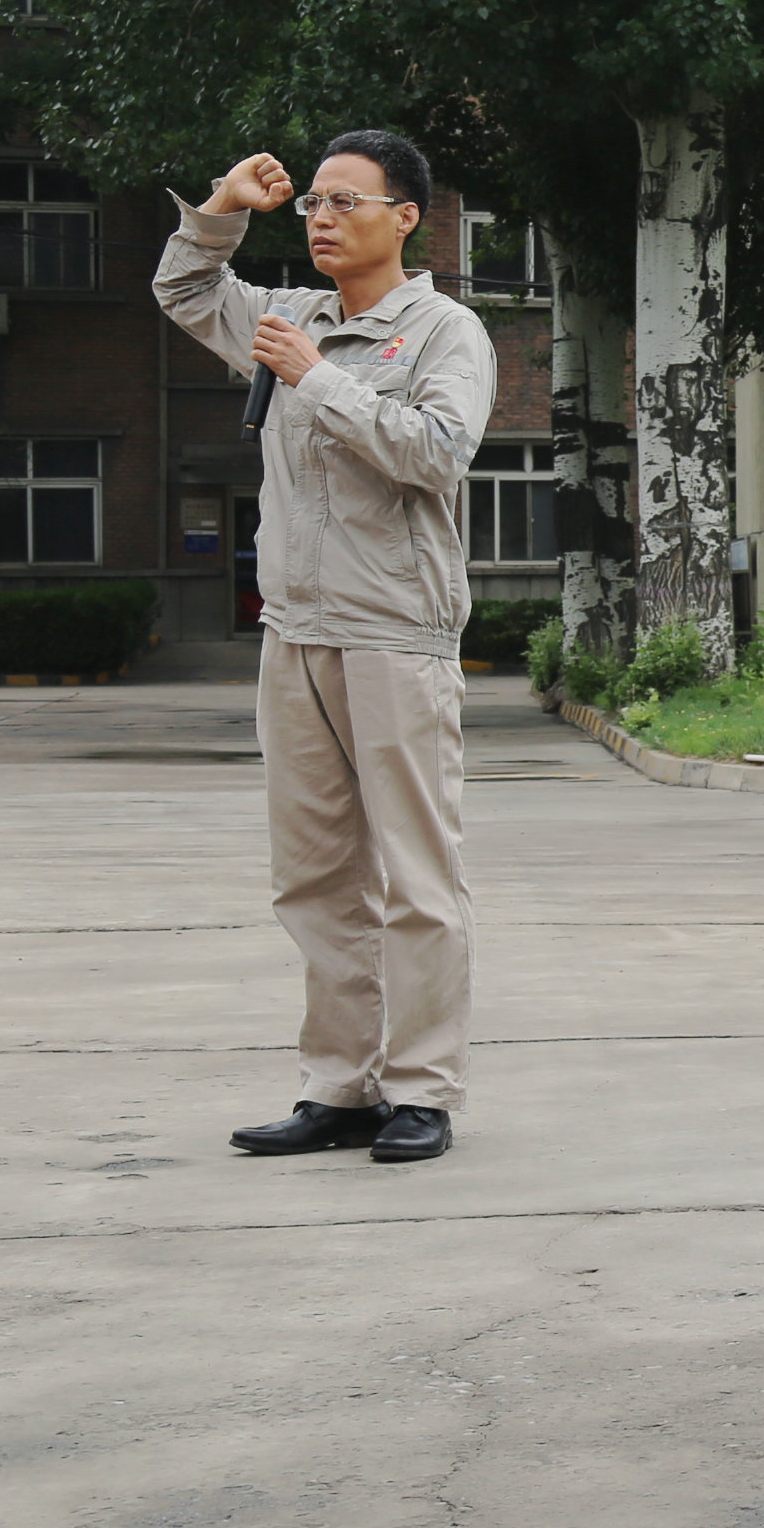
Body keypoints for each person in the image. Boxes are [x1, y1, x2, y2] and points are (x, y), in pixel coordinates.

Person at [159, 136, 497, 1165]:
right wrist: (223, 207)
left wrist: (316, 383)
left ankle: (422, 1090)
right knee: (313, 878)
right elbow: (184, 290)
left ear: (406, 217)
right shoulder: (288, 315)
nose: (321, 218)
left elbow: (437, 454)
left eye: (347, 201)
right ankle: (339, 1086)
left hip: (395, 633)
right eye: (312, 201)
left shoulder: (445, 331)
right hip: (296, 632)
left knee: (417, 878)